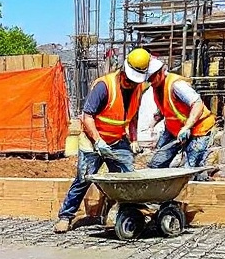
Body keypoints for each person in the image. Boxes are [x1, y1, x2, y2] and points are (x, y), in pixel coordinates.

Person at [52, 48, 154, 233]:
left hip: (116, 140)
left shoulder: (139, 87)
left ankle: (125, 214)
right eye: (129, 80)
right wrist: (98, 142)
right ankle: (65, 216)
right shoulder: (104, 86)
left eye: (135, 81)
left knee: (127, 177)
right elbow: (87, 116)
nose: (131, 84)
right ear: (123, 71)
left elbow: (133, 116)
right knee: (84, 178)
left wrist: (133, 139)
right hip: (93, 141)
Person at [145, 59, 216, 180]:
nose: (150, 82)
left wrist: (187, 127)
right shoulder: (157, 87)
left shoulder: (177, 85)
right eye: (148, 80)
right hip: (174, 130)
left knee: (190, 169)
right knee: (156, 164)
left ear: (161, 72)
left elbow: (197, 104)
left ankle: (198, 183)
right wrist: (152, 124)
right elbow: (168, 108)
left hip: (198, 128)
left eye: (152, 78)